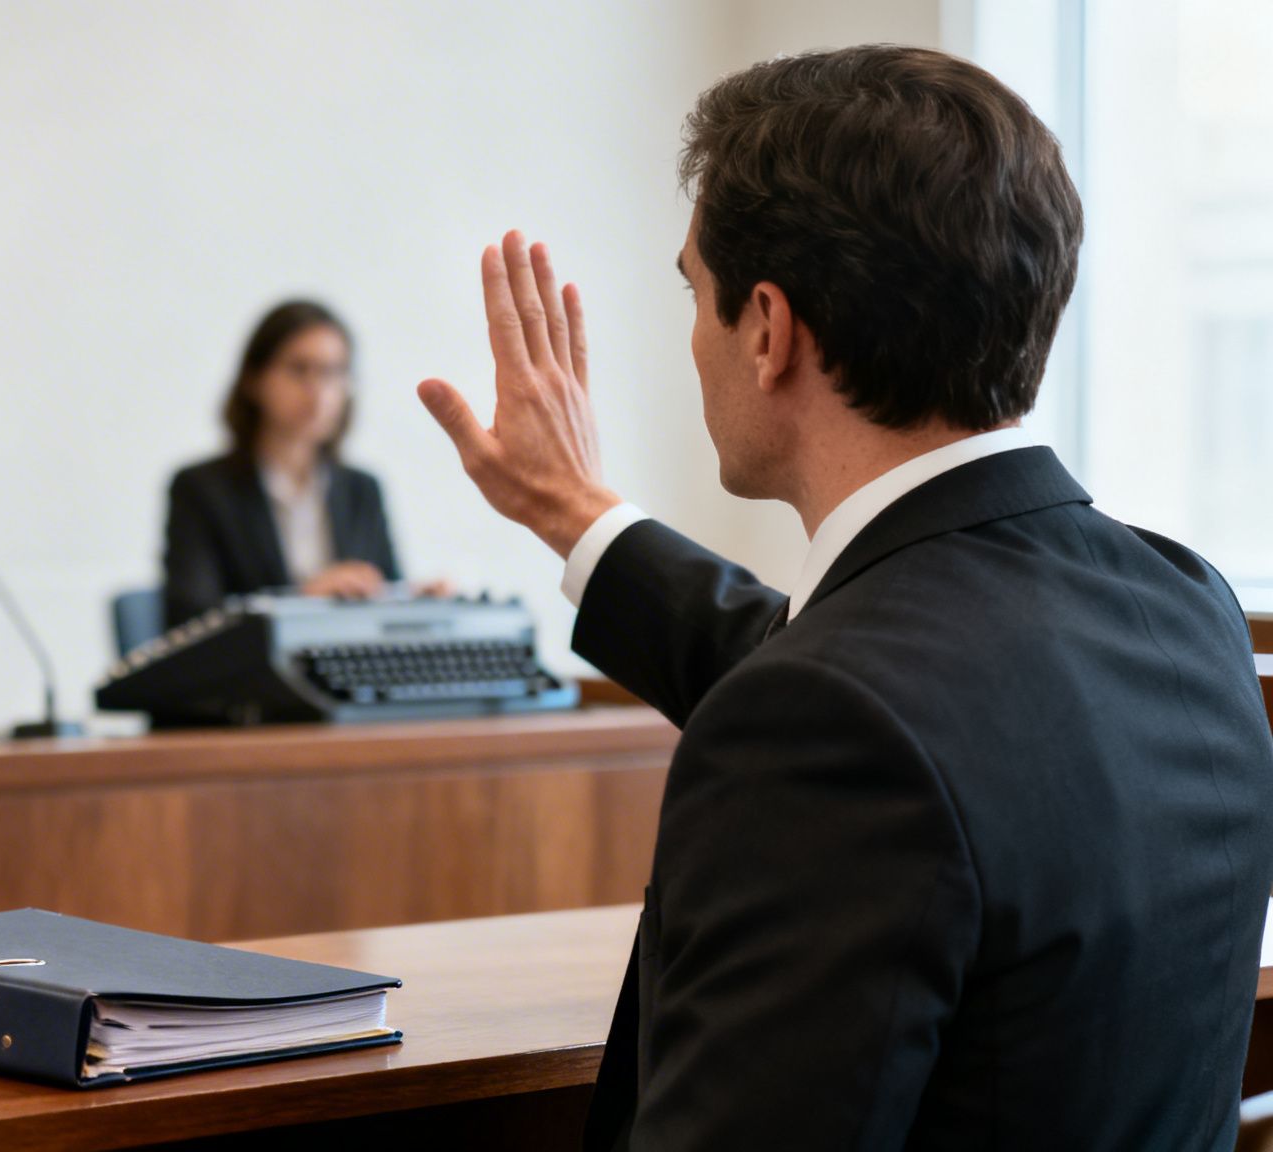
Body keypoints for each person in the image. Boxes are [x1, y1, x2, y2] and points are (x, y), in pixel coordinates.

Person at [416, 46, 1273, 1150]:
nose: (691, 337)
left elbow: (847, 714)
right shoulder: (1179, 603)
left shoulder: (832, 720)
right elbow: (894, 704)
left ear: (766, 329)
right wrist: (575, 515)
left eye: (693, 291)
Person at [163, 300, 412, 627]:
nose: (318, 392)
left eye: (334, 372)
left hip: (342, 668)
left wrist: (416, 602)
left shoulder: (362, 489)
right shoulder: (201, 488)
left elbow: (383, 597)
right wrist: (302, 601)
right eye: (299, 370)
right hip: (252, 674)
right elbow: (190, 618)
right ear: (254, 380)